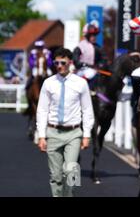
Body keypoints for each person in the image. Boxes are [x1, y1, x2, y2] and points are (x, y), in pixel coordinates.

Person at [36, 48, 94, 197]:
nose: (59, 65)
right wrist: (41, 135)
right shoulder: (48, 83)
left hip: (73, 133)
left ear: (70, 63)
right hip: (53, 132)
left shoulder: (81, 83)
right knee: (55, 176)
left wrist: (86, 135)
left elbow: (87, 110)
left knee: (71, 170)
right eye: (56, 63)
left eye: (63, 62)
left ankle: (71, 195)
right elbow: (42, 110)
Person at [73, 21, 106, 88]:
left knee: (94, 74)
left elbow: (103, 59)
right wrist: (83, 64)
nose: (94, 37)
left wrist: (100, 65)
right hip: (80, 70)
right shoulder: (80, 46)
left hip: (94, 71)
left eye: (95, 35)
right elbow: (75, 59)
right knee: (90, 74)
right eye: (92, 35)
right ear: (87, 36)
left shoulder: (98, 48)